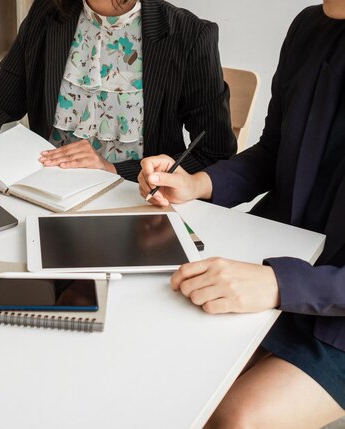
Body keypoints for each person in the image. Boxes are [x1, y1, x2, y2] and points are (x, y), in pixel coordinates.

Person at [138, 2, 345, 427]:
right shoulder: (311, 26)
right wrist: (198, 184)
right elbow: (273, 150)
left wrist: (278, 283)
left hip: (332, 310)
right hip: (269, 256)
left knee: (232, 418)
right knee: (158, 376)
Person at [0, 0, 236, 189]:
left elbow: (212, 151)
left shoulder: (190, 36)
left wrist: (113, 169)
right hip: (42, 191)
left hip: (133, 198)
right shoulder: (48, 14)